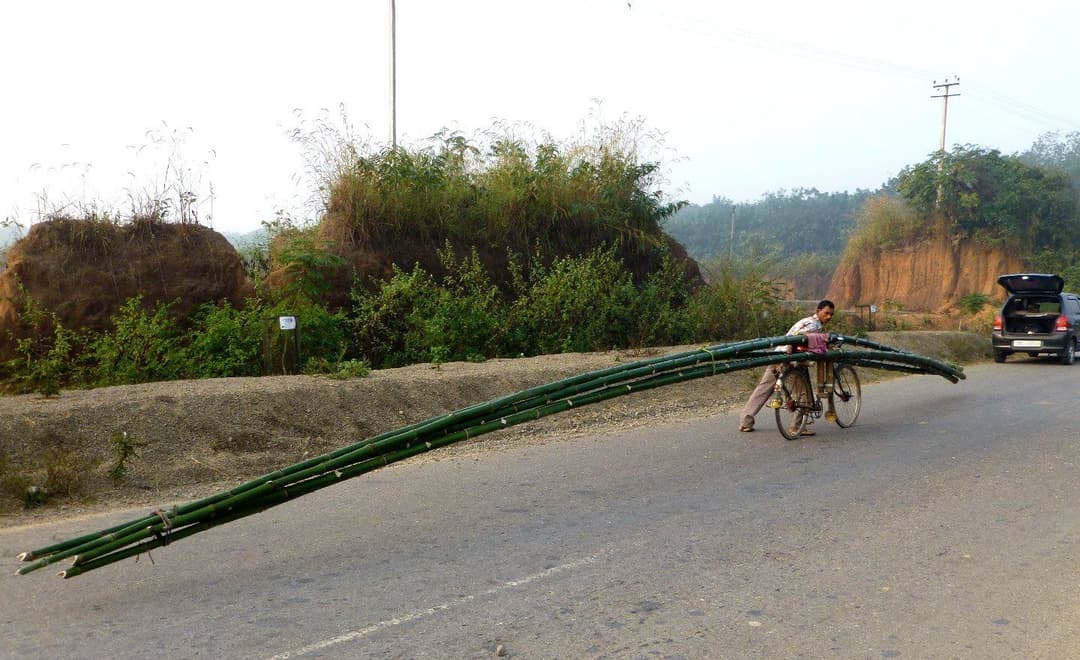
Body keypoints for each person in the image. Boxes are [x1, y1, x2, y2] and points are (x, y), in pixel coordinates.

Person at [738, 299, 835, 434]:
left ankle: (745, 422)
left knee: (763, 389)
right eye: (826, 313)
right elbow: (798, 337)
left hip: (778, 356)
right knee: (803, 393)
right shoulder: (813, 324)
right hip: (789, 359)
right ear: (818, 311)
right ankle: (796, 427)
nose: (829, 317)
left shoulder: (808, 321)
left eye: (831, 314)